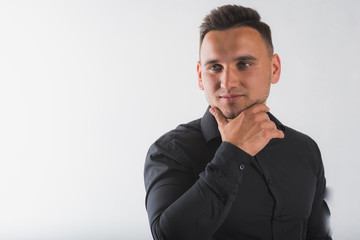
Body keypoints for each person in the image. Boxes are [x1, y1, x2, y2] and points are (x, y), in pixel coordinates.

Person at [144, 4, 331, 240]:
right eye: (215, 67)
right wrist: (233, 152)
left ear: (274, 69)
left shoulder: (305, 150)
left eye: (243, 64)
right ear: (201, 76)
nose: (228, 81)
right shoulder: (169, 152)